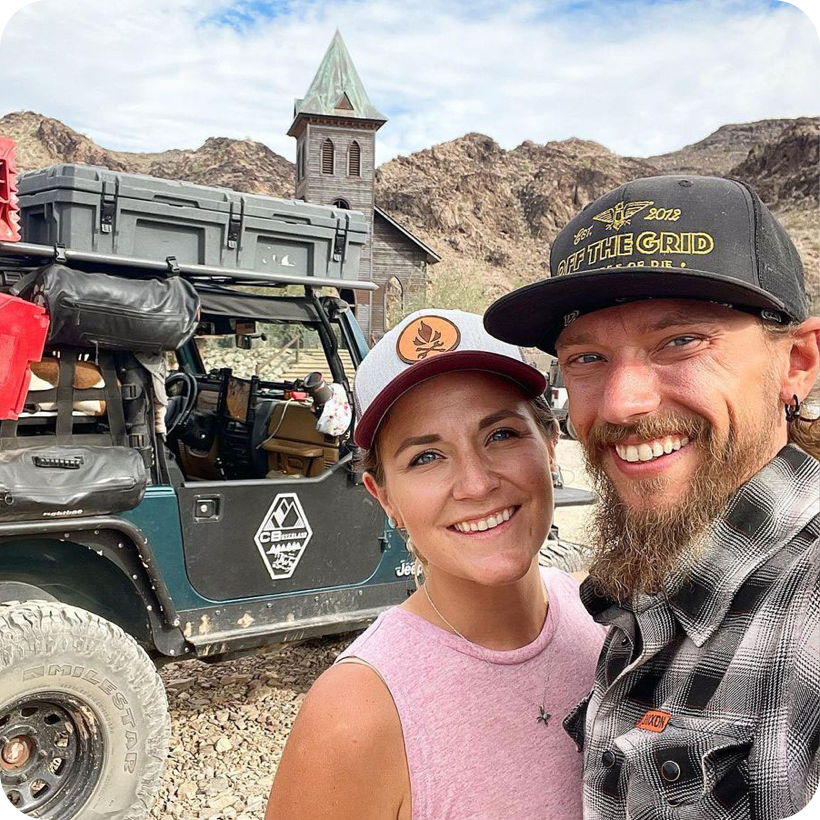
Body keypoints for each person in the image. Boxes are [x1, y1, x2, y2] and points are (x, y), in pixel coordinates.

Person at [484, 174, 820, 819]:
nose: (621, 403)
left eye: (681, 342)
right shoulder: (648, 591)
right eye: (585, 358)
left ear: (798, 362)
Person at [266, 309, 606, 820]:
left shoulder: (609, 624)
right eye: (425, 457)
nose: (475, 484)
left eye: (501, 435)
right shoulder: (359, 711)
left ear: (551, 445)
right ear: (385, 499)